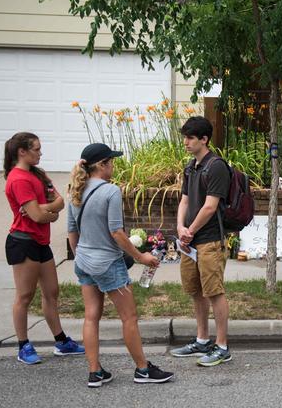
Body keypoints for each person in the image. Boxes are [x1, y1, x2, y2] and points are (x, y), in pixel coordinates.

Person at [67, 143, 174, 387]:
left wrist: (82, 256)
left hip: (84, 262)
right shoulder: (110, 191)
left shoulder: (75, 190)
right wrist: (141, 257)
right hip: (108, 263)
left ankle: (95, 372)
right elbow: (117, 232)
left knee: (91, 317)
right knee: (129, 317)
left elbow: (72, 232)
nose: (113, 166)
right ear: (102, 165)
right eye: (111, 162)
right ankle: (143, 370)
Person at [3, 132, 85, 365]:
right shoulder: (18, 179)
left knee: (52, 292)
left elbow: (60, 201)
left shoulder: (38, 174)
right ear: (22, 151)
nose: (41, 153)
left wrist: (44, 209)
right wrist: (45, 212)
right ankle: (23, 346)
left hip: (41, 242)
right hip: (23, 242)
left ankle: (61, 342)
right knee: (25, 296)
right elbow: (39, 217)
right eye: (36, 149)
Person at [171, 116, 231, 367]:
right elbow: (185, 200)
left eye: (190, 137)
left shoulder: (216, 166)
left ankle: (222, 346)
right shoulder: (190, 167)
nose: (185, 142)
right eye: (184, 137)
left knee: (214, 292)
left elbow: (210, 206)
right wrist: (180, 228)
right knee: (196, 292)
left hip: (209, 241)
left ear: (204, 139)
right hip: (190, 242)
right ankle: (202, 340)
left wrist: (190, 231)